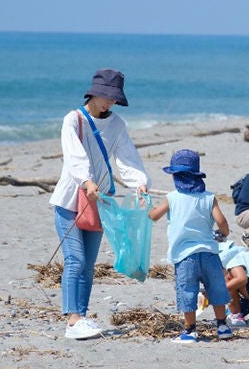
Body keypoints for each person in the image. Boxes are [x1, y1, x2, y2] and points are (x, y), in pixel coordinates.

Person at [49, 68, 150, 340]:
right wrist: (86, 180)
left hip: (100, 202)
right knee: (75, 259)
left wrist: (139, 182)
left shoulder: (117, 124)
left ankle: (81, 315)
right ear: (93, 92)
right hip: (70, 201)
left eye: (114, 98)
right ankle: (72, 321)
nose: (109, 102)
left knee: (89, 263)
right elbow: (74, 155)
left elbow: (126, 157)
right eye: (106, 96)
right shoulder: (73, 119)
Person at [148, 149, 233, 344]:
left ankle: (190, 330)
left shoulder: (172, 198)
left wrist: (146, 205)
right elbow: (222, 221)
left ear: (176, 176)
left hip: (185, 256)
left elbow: (153, 216)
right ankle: (222, 326)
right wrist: (224, 234)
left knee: (187, 291)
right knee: (216, 288)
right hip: (210, 253)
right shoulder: (209, 197)